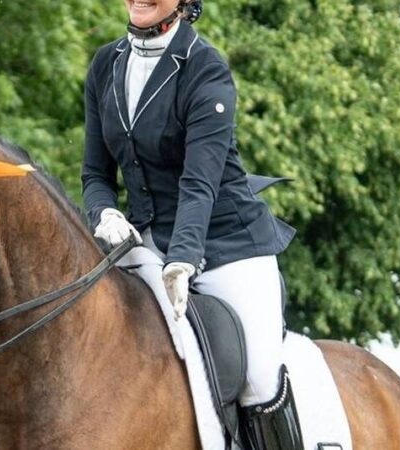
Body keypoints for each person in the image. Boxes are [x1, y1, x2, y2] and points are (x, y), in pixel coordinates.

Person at [81, 1, 299, 448]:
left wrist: (182, 258)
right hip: (146, 244)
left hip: (227, 244)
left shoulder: (204, 67)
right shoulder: (106, 64)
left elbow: (200, 183)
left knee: (257, 374)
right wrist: (103, 213)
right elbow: (95, 174)